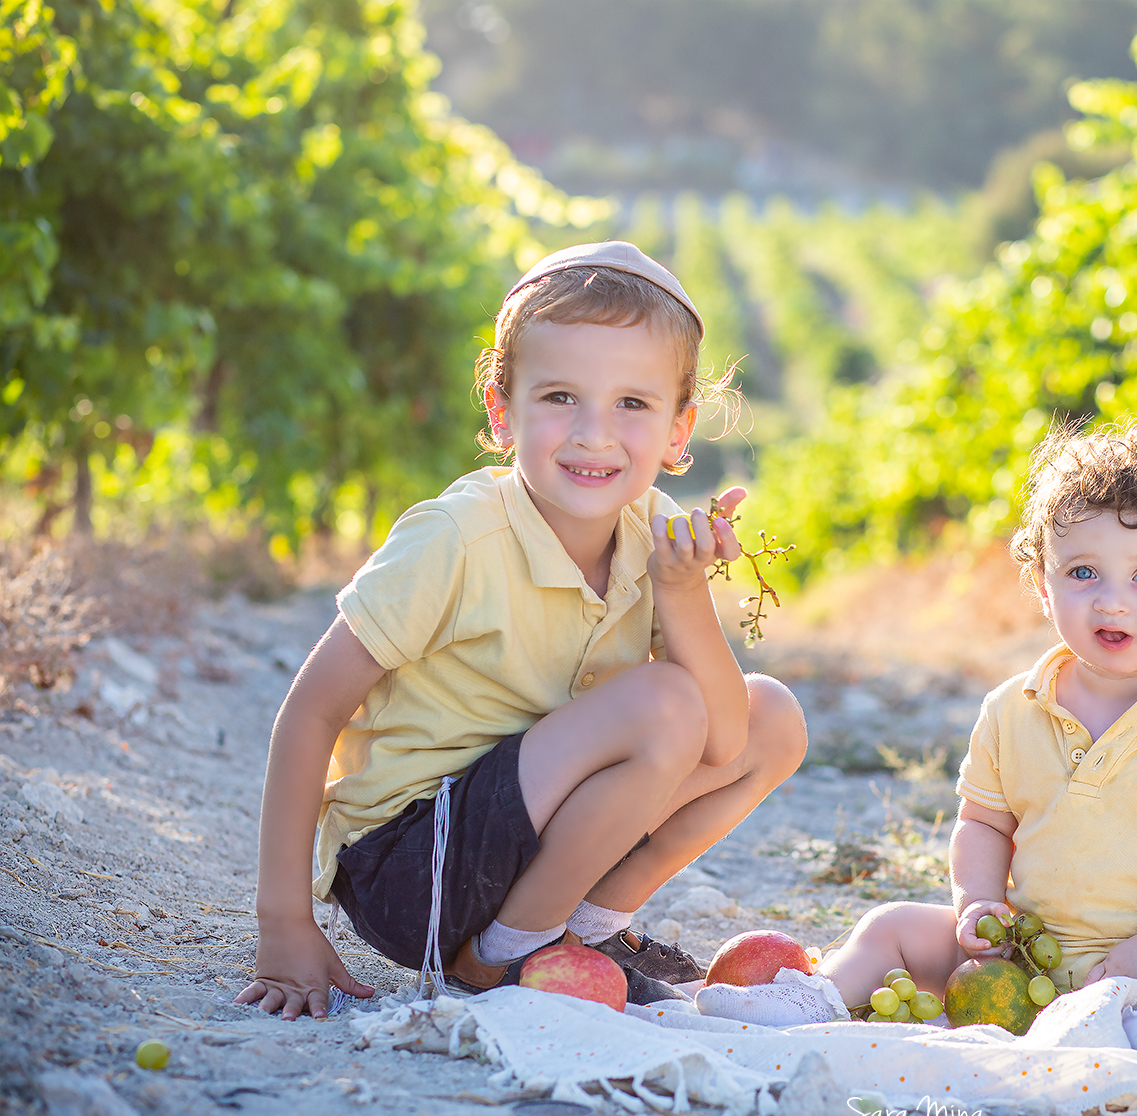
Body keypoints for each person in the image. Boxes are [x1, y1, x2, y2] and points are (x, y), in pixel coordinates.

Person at [237, 242, 808, 1019]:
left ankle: (585, 930)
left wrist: (681, 592)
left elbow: (728, 742)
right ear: (503, 411)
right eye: (561, 397)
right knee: (667, 703)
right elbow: (311, 712)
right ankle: (500, 957)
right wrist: (283, 923)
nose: (594, 435)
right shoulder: (456, 538)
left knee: (771, 715)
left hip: (530, 846)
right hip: (415, 869)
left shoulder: (657, 535)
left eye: (632, 405)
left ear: (680, 432)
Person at [699, 421, 1137, 1064]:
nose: (1112, 602)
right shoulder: (1014, 708)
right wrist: (977, 902)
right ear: (1042, 584)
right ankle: (822, 997)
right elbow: (982, 822)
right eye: (1084, 572)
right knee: (892, 925)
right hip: (1020, 955)